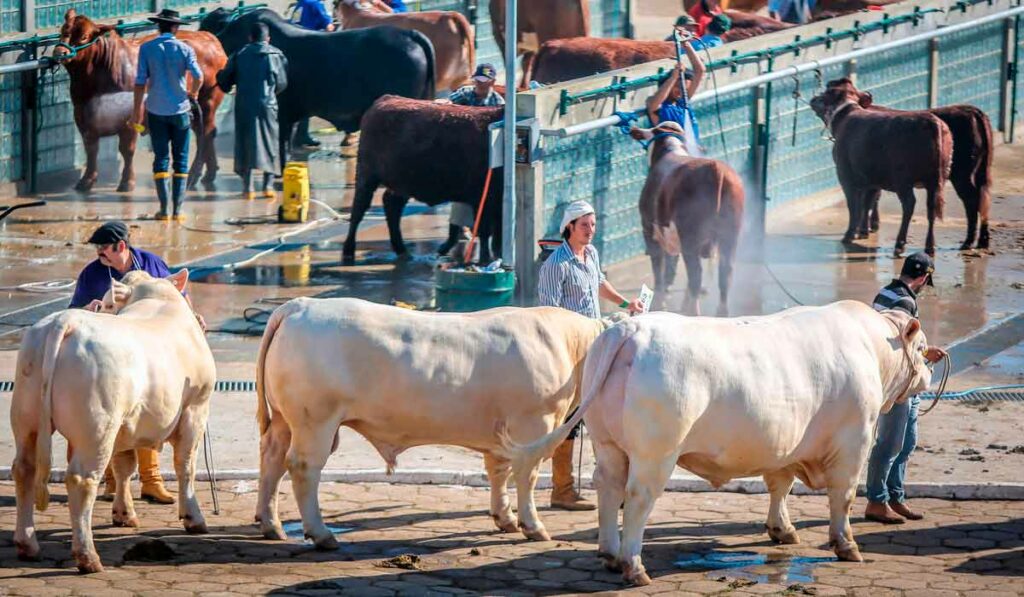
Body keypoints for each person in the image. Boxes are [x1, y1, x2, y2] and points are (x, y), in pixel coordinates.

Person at [69, 222, 187, 505]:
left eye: (104, 249)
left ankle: (151, 480)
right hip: (109, 356)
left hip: (147, 352)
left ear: (121, 246)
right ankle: (111, 481)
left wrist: (192, 315)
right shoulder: (92, 274)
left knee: (148, 412)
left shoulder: (152, 264)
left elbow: (177, 296)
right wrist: (92, 309)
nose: (100, 254)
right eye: (97, 249)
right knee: (111, 416)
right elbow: (73, 310)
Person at [537, 200, 643, 511]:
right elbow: (549, 314)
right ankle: (563, 489)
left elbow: (599, 283)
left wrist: (626, 305)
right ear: (569, 227)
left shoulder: (591, 254)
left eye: (593, 225)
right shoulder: (555, 266)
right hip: (570, 353)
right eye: (585, 225)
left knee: (605, 415)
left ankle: (612, 485)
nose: (590, 231)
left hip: (597, 345)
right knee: (571, 420)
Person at [865, 252, 948, 524]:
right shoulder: (904, 303)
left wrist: (922, 350)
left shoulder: (885, 293)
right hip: (900, 383)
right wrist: (926, 355)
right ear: (923, 278)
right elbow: (898, 349)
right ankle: (877, 501)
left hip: (903, 382)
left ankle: (895, 496)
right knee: (890, 444)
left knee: (906, 442)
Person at [132, 9, 203, 224]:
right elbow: (198, 76)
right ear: (175, 28)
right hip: (180, 110)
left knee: (161, 159)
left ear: (158, 27)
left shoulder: (146, 48)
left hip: (155, 111)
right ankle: (178, 211)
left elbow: (140, 82)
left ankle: (163, 211)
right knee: (180, 160)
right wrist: (194, 93)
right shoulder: (185, 49)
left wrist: (137, 114)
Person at [436, 63, 505, 255]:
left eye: (484, 81)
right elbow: (449, 104)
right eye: (478, 81)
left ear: (492, 81)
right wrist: (443, 105)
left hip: (485, 160)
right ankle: (452, 237)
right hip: (463, 158)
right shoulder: (466, 94)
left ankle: (485, 245)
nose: (480, 85)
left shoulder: (498, 103)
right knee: (460, 200)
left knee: (486, 204)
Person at [217, 23, 289, 201]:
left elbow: (226, 80)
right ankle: (268, 187)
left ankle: (248, 188)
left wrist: (221, 76)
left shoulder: (240, 54)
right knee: (270, 143)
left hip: (244, 105)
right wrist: (270, 94)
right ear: (268, 39)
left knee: (245, 143)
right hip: (268, 106)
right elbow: (282, 83)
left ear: (250, 38)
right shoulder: (276, 55)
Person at [294, 0, 334, 148]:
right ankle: (301, 135)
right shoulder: (316, 4)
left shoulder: (300, 4)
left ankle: (299, 133)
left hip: (296, 52)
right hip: (310, 52)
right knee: (308, 96)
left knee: (300, 95)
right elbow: (329, 28)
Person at [645, 36, 705, 127]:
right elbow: (653, 104)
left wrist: (686, 44)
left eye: (684, 90)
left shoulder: (682, 103)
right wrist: (674, 77)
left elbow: (700, 71)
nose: (681, 92)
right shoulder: (659, 107)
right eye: (678, 88)